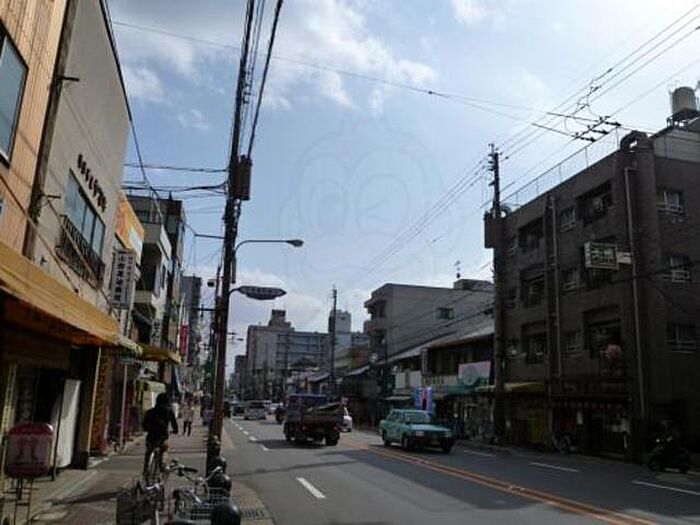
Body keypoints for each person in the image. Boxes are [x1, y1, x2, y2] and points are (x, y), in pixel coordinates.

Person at [142, 393, 178, 476]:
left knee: (148, 451)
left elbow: (144, 425)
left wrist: (148, 429)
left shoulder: (150, 411)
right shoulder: (169, 411)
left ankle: (146, 469)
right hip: (162, 437)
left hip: (150, 436)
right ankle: (161, 467)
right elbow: (174, 425)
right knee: (163, 450)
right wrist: (174, 431)